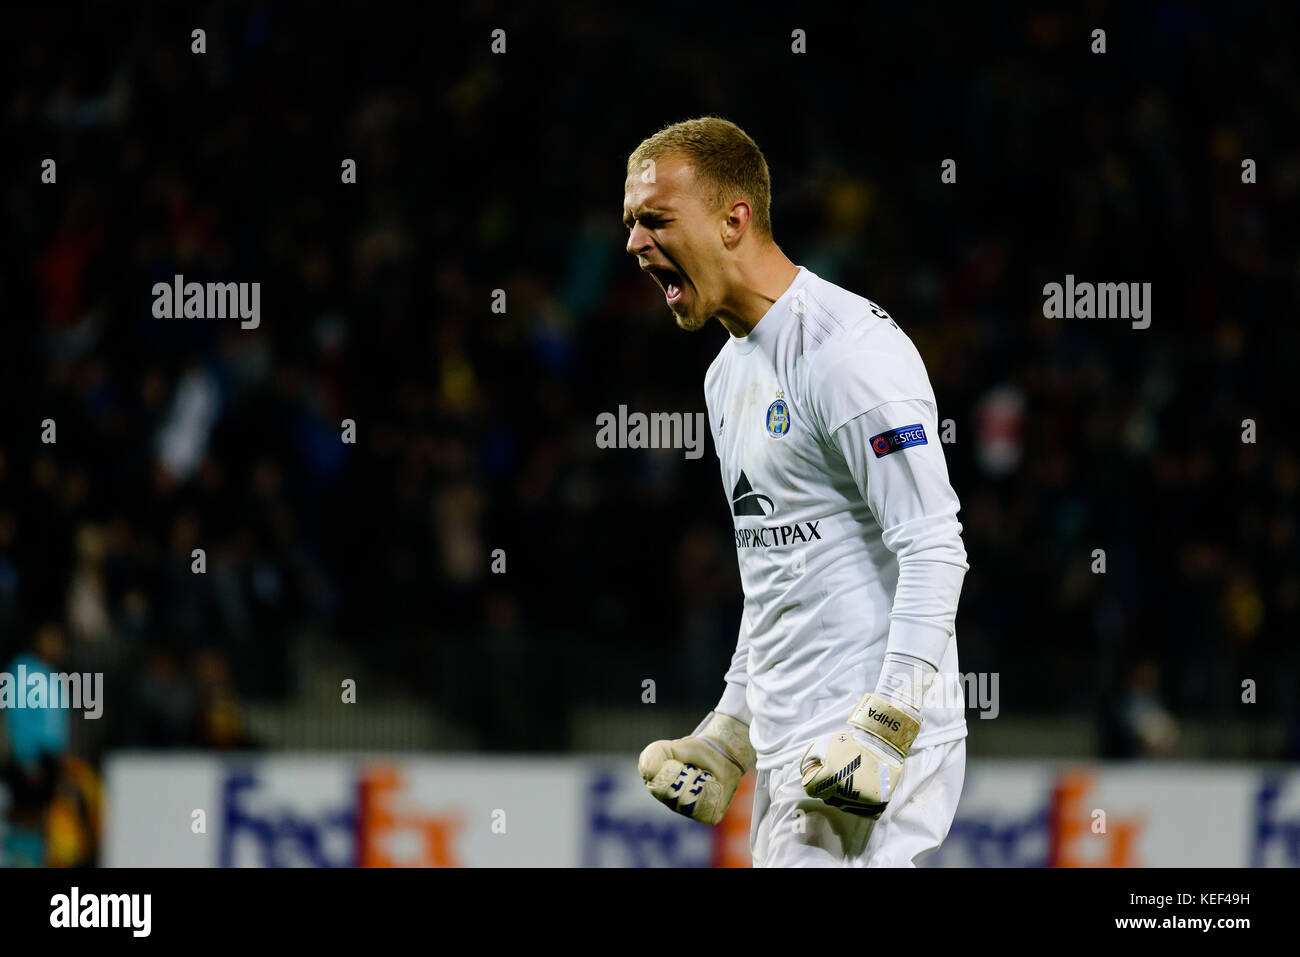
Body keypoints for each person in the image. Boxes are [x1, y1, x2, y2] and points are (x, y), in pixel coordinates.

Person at [627, 117, 970, 866]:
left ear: (733, 220)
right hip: (799, 751)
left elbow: (935, 544)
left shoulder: (848, 352)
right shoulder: (726, 374)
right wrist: (730, 730)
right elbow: (780, 570)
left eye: (655, 219)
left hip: (868, 753)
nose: (634, 244)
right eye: (631, 224)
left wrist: (887, 726)